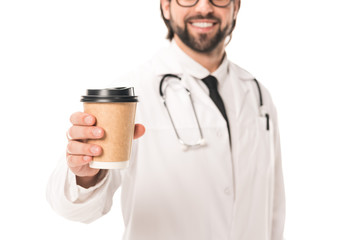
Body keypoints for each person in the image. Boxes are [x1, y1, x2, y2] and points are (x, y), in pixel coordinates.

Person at [47, 0, 286, 239]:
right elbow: (71, 207)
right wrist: (86, 174)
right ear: (166, 6)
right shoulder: (127, 96)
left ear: (236, 5)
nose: (204, 7)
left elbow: (274, 207)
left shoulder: (257, 94)